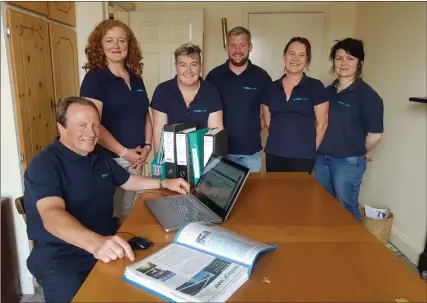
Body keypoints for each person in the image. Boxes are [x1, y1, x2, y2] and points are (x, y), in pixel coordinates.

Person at [24, 97, 190, 303]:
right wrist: (96, 243)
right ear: (61, 127)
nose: (91, 133)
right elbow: (52, 214)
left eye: (95, 125)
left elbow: (128, 180)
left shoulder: (99, 155)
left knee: (157, 274)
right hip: (60, 253)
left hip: (106, 239)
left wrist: (165, 182)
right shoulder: (45, 164)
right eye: (82, 125)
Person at [80, 20, 152, 223]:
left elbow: (144, 115)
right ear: (99, 45)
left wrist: (147, 147)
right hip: (109, 160)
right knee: (111, 215)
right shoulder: (95, 79)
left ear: (129, 46)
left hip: (136, 158)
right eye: (109, 40)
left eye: (122, 40)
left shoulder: (136, 77)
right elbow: (93, 125)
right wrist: (124, 152)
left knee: (129, 212)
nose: (116, 46)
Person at [315, 38, 384, 221]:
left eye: (350, 58)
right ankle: (329, 242)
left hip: (347, 162)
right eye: (339, 58)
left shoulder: (368, 96)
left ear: (360, 62)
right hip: (322, 159)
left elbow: (375, 136)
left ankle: (352, 248)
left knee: (346, 207)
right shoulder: (326, 92)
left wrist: (358, 152)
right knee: (323, 203)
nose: (344, 63)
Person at [206, 26, 272, 172]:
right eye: (232, 45)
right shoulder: (213, 77)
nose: (237, 50)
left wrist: (253, 126)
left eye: (242, 45)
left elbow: (268, 114)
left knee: (251, 194)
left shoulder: (262, 77)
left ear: (250, 47)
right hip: (220, 152)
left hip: (250, 153)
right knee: (220, 194)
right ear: (226, 48)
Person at [262, 37, 329, 173]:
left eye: (301, 55)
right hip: (274, 154)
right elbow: (268, 120)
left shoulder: (316, 87)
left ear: (307, 60)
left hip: (303, 157)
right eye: (291, 54)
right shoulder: (271, 88)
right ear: (284, 56)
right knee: (274, 193)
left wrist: (310, 148)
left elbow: (322, 124)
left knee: (299, 194)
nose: (295, 59)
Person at [150, 43, 224, 154]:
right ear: (176, 67)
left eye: (194, 64)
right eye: (183, 65)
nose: (188, 70)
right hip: (172, 158)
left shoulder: (211, 91)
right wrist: (159, 166)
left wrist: (214, 166)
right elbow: (159, 133)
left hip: (202, 156)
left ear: (200, 66)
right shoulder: (162, 91)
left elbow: (216, 131)